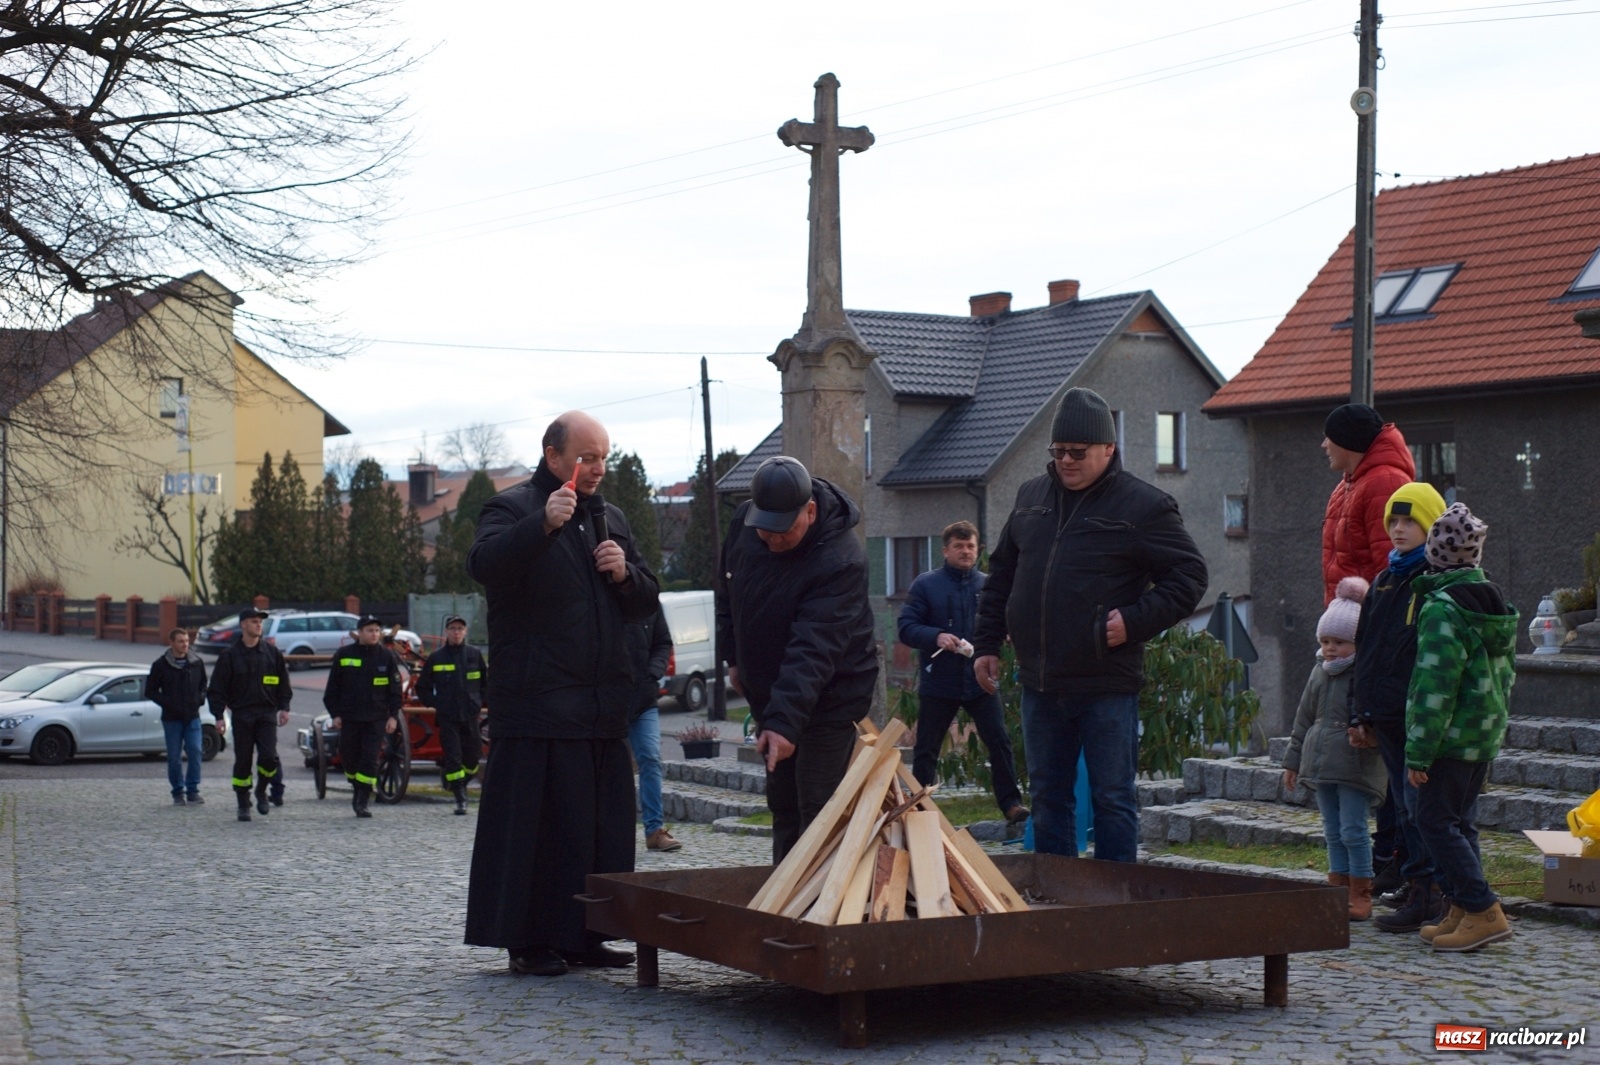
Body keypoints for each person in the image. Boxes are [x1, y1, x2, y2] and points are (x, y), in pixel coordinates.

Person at [974, 388, 1207, 863]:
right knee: (1048, 798)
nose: (1066, 461)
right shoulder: (1029, 497)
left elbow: (1190, 576)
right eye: (1058, 452)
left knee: (1112, 800)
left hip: (1105, 683)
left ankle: (1114, 907)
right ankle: (1060, 897)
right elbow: (1001, 576)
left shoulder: (1144, 505)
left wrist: (1136, 621)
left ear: (1108, 449)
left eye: (1077, 453)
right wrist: (986, 643)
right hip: (1041, 680)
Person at [464, 411, 659, 978]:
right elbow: (485, 565)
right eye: (586, 457)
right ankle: (529, 941)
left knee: (597, 830)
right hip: (538, 703)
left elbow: (646, 601)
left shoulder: (611, 517)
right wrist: (542, 527)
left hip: (600, 707)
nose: (597, 469)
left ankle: (588, 934)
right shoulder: (513, 506)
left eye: (603, 457)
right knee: (539, 831)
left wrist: (626, 575)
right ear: (553, 457)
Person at [715, 455, 877, 864]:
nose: (770, 539)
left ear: (809, 511)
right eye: (763, 529)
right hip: (774, 694)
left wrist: (784, 723)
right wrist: (733, 658)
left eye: (782, 531)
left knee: (817, 803)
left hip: (831, 696)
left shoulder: (841, 558)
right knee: (783, 801)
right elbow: (726, 593)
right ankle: (784, 899)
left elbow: (815, 648)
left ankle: (821, 905)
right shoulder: (745, 525)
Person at [1405, 502, 1518, 953]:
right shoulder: (1494, 600)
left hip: (1449, 738)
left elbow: (1435, 687)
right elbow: (1506, 676)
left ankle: (1482, 908)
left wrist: (1418, 753)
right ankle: (1461, 907)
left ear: (1435, 553)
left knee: (1432, 820)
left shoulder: (1441, 609)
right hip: (1483, 732)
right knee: (1459, 822)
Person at [1348, 482, 1451, 935]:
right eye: (1394, 520)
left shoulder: (1429, 583)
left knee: (1420, 806)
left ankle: (1432, 892)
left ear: (1431, 526)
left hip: (1417, 713)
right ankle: (1417, 886)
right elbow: (1366, 649)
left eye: (1409, 521)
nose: (1398, 529)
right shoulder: (1386, 580)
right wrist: (1360, 711)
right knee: (1405, 809)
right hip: (1386, 713)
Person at [898, 520, 1027, 824]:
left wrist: (1008, 633)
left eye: (970, 546)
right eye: (958, 546)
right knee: (927, 748)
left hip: (979, 680)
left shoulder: (988, 584)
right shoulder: (926, 585)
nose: (965, 551)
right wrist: (936, 636)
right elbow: (906, 627)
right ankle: (919, 809)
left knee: (999, 741)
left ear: (977, 549)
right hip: (939, 679)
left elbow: (1006, 618)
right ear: (945, 550)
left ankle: (1012, 805)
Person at [1282, 577, 1387, 920]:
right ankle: (1337, 887)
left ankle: (1361, 892)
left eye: (1339, 642)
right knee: (1331, 830)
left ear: (1358, 642)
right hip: (1322, 763)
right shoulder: (1319, 672)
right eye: (1325, 641)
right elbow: (1303, 718)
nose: (1330, 649)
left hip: (1355, 765)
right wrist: (1293, 761)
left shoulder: (1365, 674)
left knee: (1353, 830)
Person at [1320, 402, 1415, 604]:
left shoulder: (1384, 482)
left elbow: (1390, 564)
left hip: (1369, 620)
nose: (1324, 445)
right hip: (1351, 619)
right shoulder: (1347, 485)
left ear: (1347, 440)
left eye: (1330, 437)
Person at [207, 607, 291, 822]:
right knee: (243, 761)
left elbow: (283, 683)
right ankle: (243, 803)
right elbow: (217, 689)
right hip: (242, 715)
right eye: (254, 621)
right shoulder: (230, 655)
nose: (258, 625)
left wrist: (285, 707)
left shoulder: (272, 654)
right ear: (243, 624)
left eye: (260, 622)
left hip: (266, 714)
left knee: (269, 758)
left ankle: (261, 789)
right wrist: (218, 716)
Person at [323, 616, 403, 818]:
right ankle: (356, 784)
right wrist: (335, 714)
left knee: (369, 758)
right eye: (370, 630)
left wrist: (393, 716)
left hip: (376, 719)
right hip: (350, 718)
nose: (374, 634)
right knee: (348, 758)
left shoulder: (387, 657)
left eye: (377, 630)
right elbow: (332, 689)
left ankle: (362, 799)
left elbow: (395, 691)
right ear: (359, 633)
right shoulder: (344, 654)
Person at [415, 615, 486, 816]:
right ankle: (460, 798)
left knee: (473, 756)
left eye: (460, 629)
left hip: (470, 714)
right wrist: (436, 703)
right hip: (448, 717)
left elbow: (485, 682)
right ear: (447, 631)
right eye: (453, 628)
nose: (456, 632)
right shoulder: (436, 657)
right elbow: (422, 687)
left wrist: (480, 701)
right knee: (453, 758)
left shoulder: (474, 654)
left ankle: (459, 783)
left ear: (465, 632)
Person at [625, 603, 680, 851]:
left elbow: (662, 641)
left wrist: (653, 673)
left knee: (650, 757)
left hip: (644, 698)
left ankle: (654, 831)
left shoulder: (647, 601)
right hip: (609, 698)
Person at [145, 627, 209, 806]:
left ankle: (193, 790)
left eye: (187, 641)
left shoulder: (196, 662)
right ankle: (177, 791)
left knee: (195, 751)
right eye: (181, 641)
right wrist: (168, 702)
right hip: (172, 718)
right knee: (174, 756)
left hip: (193, 716)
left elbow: (204, 684)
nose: (185, 645)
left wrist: (200, 699)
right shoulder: (160, 665)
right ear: (172, 643)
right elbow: (150, 691)